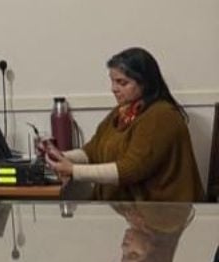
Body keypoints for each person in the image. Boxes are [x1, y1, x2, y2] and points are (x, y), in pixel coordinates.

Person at [45, 48, 203, 202]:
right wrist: (60, 156)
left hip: (163, 211)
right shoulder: (121, 112)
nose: (113, 89)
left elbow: (131, 169)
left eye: (122, 83)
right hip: (129, 210)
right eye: (113, 81)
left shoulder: (161, 115)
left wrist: (73, 170)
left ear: (144, 83)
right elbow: (92, 151)